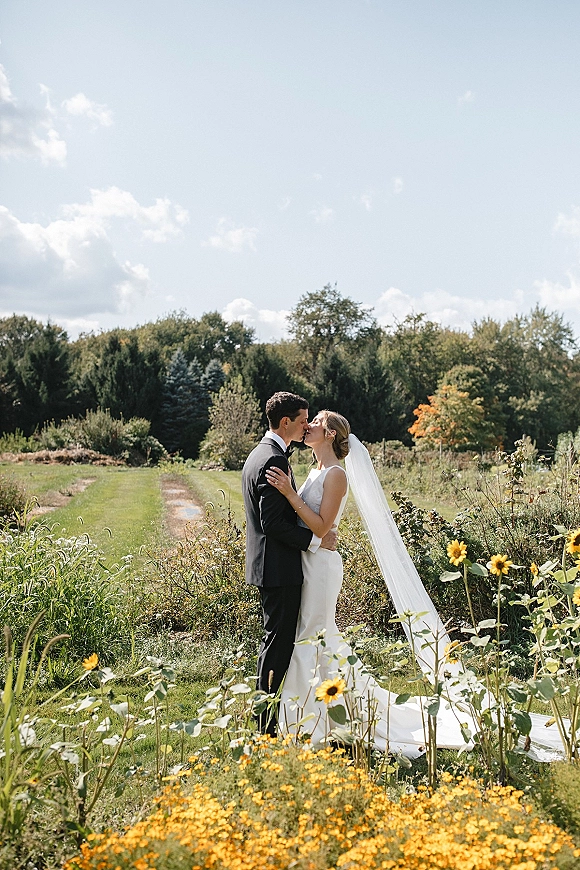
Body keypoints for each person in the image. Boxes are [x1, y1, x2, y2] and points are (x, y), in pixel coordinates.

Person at [265, 410, 569, 760]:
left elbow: (321, 526)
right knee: (317, 634)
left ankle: (310, 717)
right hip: (310, 560)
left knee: (313, 632)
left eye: (314, 421)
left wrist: (289, 493)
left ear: (330, 433)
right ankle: (330, 710)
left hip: (321, 568)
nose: (308, 426)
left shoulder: (336, 475)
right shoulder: (316, 470)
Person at [242, 392, 337, 735]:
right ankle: (265, 726)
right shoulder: (275, 460)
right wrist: (316, 540)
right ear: (286, 422)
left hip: (269, 567)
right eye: (301, 421)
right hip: (279, 569)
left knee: (276, 643)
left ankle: (271, 717)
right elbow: (273, 524)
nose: (305, 426)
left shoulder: (259, 454)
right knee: (277, 646)